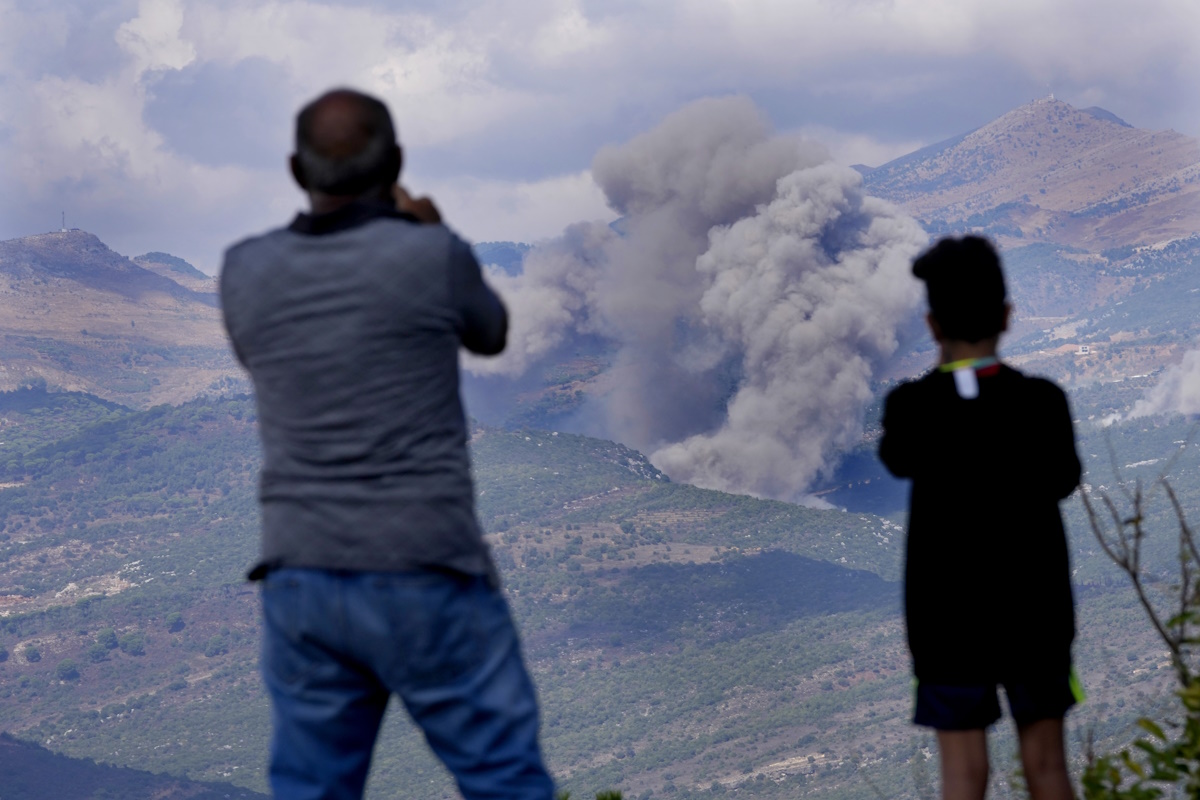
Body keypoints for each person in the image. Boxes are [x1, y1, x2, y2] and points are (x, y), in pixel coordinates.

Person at [219, 88, 555, 800]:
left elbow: (270, 360)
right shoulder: (431, 253)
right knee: (504, 780)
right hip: (425, 568)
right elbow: (489, 332)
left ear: (294, 170)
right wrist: (429, 226)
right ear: (397, 162)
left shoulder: (244, 270)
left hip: (302, 575)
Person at [878, 236, 1083, 800]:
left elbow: (897, 458)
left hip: (947, 621)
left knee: (963, 779)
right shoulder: (1043, 402)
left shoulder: (911, 408)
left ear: (932, 325)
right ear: (1008, 316)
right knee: (1048, 771)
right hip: (1036, 614)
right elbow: (1064, 478)